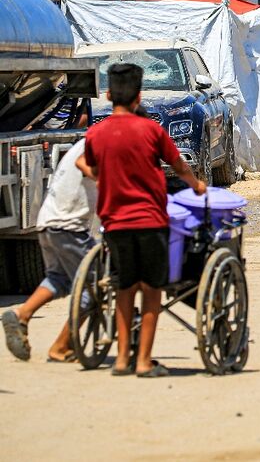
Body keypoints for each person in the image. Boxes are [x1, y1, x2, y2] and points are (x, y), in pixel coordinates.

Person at [77, 63, 206, 378]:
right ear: (138, 98)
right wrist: (198, 186)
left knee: (124, 287)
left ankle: (122, 359)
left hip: (114, 224)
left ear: (109, 95)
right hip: (149, 221)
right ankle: (144, 361)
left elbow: (85, 162)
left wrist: (99, 175)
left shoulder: (97, 133)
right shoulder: (151, 130)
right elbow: (179, 165)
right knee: (151, 289)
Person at [2, 134, 96, 362]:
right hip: (69, 226)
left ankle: (21, 314)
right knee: (93, 288)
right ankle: (61, 347)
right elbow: (84, 163)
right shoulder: (105, 142)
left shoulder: (92, 139)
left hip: (49, 222)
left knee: (59, 279)